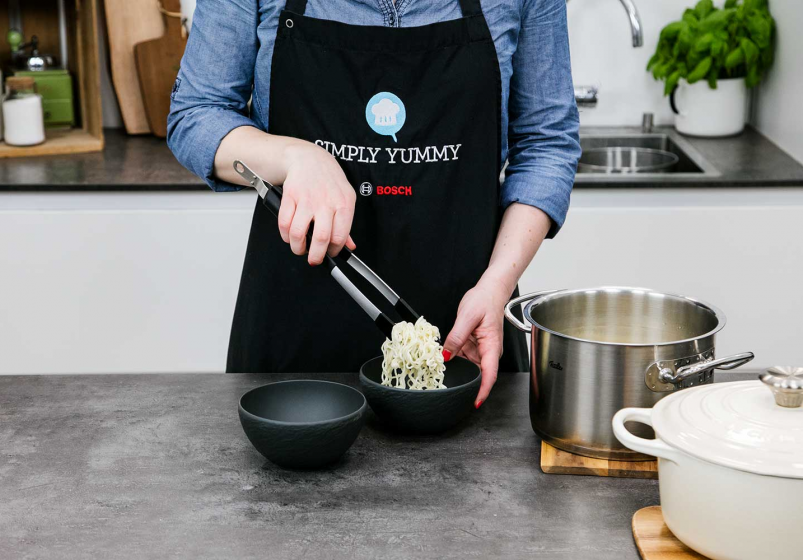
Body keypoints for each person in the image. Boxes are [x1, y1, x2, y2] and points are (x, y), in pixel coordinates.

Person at [167, 0, 580, 408]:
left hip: (465, 339)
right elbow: (197, 113)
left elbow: (547, 142)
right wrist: (297, 157)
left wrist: (497, 285)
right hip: (293, 354)